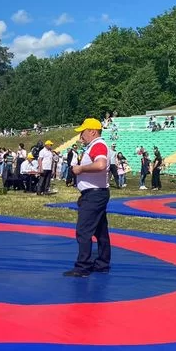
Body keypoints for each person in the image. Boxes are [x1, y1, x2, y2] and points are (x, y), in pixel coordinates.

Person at [63, 118, 111, 278]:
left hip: (94, 194)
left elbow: (101, 165)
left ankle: (83, 266)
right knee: (100, 230)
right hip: (96, 193)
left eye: (83, 132)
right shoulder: (96, 145)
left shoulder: (97, 145)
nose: (80, 137)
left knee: (84, 230)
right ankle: (103, 262)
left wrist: (80, 168)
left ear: (92, 131)